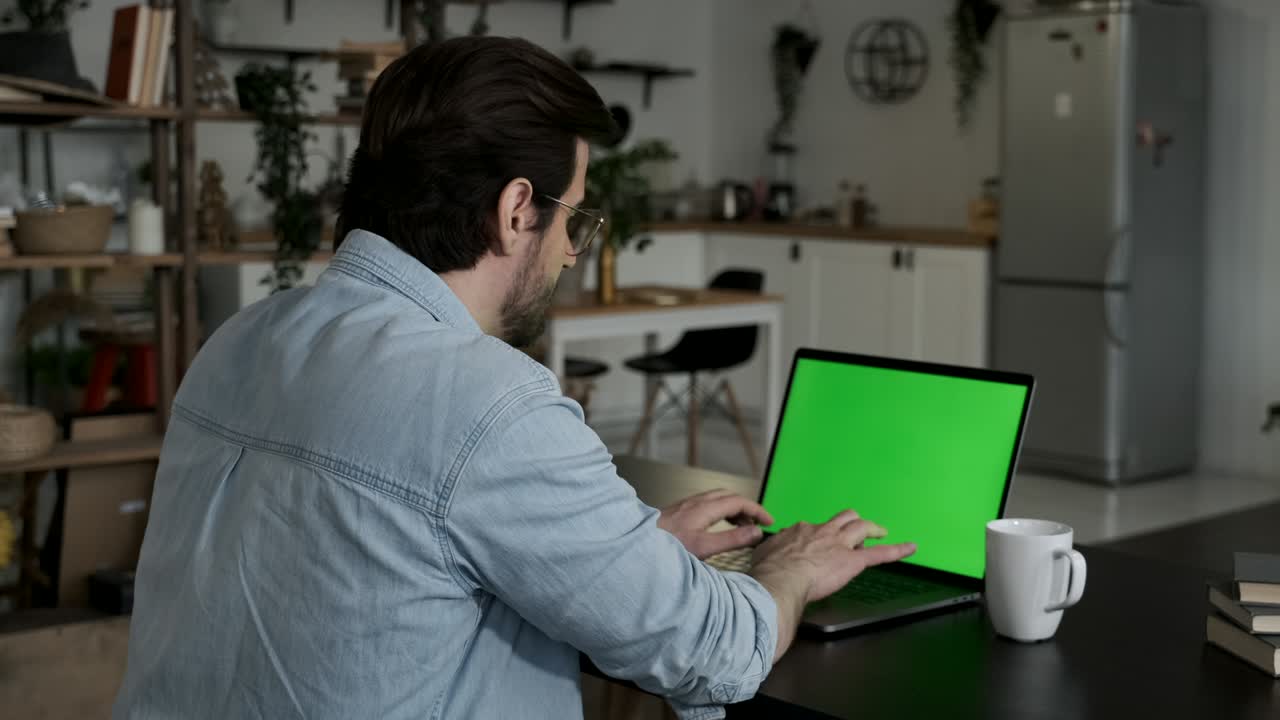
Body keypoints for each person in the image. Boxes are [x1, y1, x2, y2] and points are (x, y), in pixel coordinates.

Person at [113, 36, 915, 720]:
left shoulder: (241, 339)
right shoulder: (490, 403)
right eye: (575, 220)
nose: (571, 251)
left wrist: (625, 550)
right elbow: (717, 650)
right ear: (516, 209)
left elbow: (382, 547)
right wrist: (789, 570)